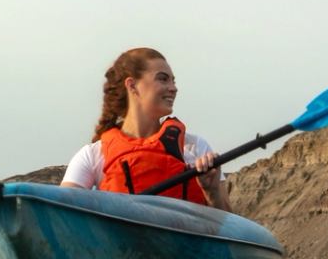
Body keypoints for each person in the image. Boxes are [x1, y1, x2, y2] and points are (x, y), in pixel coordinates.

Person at [61, 47, 229, 210]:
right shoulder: (92, 156)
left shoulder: (197, 148)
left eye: (173, 81)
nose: (173, 88)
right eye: (163, 79)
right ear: (132, 86)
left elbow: (229, 225)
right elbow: (63, 213)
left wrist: (212, 193)